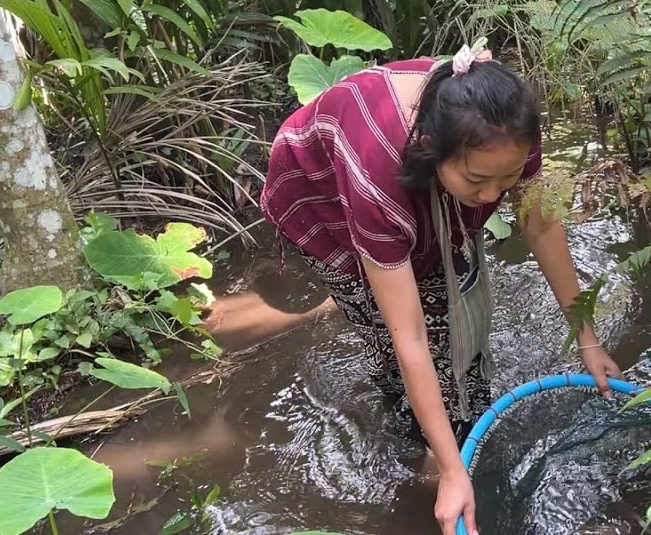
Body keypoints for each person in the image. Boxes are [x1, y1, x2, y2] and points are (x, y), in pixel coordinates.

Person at [259, 43, 622, 535]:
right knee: (388, 330)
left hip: (409, 181)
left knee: (441, 304)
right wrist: (452, 471)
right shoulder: (378, 176)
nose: (495, 196)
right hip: (322, 199)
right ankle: (416, 427)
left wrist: (587, 337)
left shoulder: (509, 133)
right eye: (478, 180)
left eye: (509, 178)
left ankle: (449, 423)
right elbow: (409, 338)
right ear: (432, 148)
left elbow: (540, 228)